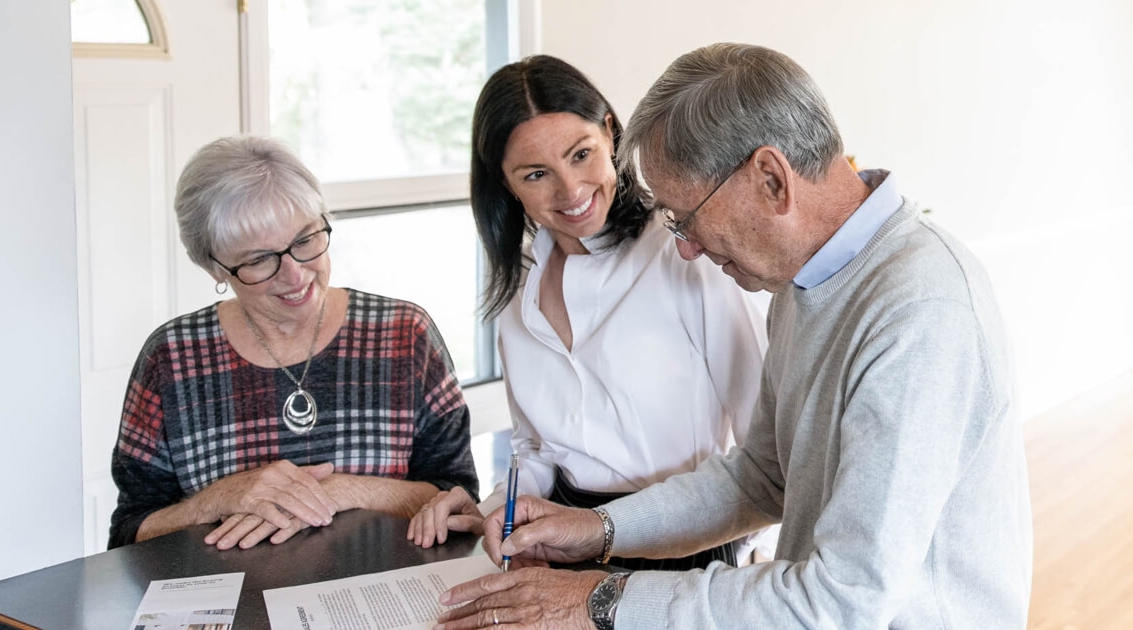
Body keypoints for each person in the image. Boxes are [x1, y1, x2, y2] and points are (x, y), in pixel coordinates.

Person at [434, 43, 1033, 629]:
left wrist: (595, 601)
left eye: (686, 217)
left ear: (771, 179)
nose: (685, 246)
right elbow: (762, 476)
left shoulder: (918, 312)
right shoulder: (803, 285)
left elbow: (844, 601)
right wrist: (599, 530)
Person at [406, 55, 768, 571]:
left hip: (682, 544)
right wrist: (494, 509)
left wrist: (752, 552)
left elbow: (767, 440)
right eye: (536, 174)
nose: (571, 191)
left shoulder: (686, 254)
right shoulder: (518, 284)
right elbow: (537, 448)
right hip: (558, 539)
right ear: (506, 184)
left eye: (581, 155)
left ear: (610, 133)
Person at [109, 136, 478, 550]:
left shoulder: (404, 334)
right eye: (259, 259)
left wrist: (340, 491)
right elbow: (128, 535)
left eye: (304, 240)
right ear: (214, 267)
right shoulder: (171, 358)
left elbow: (461, 505)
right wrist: (218, 499)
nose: (295, 275)